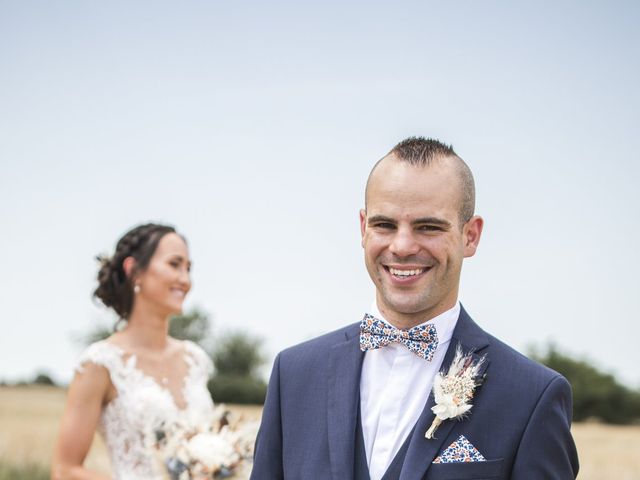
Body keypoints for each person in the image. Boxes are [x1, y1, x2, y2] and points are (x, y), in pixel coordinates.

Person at [251, 137, 579, 479]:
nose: (403, 246)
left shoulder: (531, 396)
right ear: (363, 228)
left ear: (471, 236)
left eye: (428, 227)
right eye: (385, 224)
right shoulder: (294, 374)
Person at [52, 223, 215, 480]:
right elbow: (64, 471)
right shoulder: (101, 363)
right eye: (174, 264)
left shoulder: (195, 360)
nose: (185, 280)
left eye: (188, 268)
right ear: (134, 271)